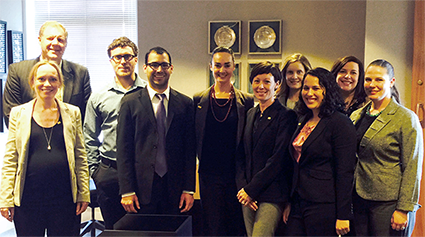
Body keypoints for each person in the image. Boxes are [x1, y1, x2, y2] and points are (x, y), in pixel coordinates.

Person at [0, 61, 90, 237]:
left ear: (59, 83)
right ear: (32, 82)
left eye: (52, 79)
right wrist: (5, 198)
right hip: (28, 200)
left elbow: (80, 156)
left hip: (64, 199)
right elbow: (10, 159)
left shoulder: (73, 112)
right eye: (41, 79)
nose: (47, 84)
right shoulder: (18, 113)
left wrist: (84, 194)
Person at [117, 47, 196, 215]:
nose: (159, 70)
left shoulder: (185, 103)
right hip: (141, 189)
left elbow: (190, 150)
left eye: (164, 65)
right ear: (145, 68)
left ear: (171, 68)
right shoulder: (129, 102)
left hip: (175, 188)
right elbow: (124, 150)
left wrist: (189, 189)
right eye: (154, 65)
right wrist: (127, 190)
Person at [350, 59, 423, 237]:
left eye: (379, 80)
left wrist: (404, 209)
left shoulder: (405, 118)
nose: (372, 84)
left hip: (389, 203)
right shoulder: (356, 115)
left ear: (391, 82)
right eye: (368, 80)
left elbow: (412, 167)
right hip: (359, 199)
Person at [83, 37, 147, 229]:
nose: (123, 61)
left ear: (135, 59)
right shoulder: (99, 97)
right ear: (111, 61)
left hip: (142, 172)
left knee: (145, 229)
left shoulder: (149, 92)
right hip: (110, 172)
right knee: (114, 229)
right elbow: (89, 136)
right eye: (117, 57)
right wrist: (96, 172)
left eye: (127, 56)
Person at [284, 67, 357, 237]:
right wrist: (289, 201)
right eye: (306, 88)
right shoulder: (304, 119)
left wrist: (343, 215)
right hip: (298, 201)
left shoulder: (340, 123)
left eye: (316, 88)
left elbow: (345, 172)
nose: (309, 93)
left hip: (324, 204)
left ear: (328, 90)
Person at [193, 46, 253, 237]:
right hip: (208, 175)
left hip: (236, 175)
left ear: (233, 67)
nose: (222, 70)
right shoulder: (198, 100)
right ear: (210, 66)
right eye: (217, 65)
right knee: (213, 227)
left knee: (236, 226)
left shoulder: (247, 100)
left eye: (227, 65)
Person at [236, 62, 297, 237]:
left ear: (277, 85)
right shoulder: (249, 114)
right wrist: (243, 189)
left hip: (272, 194)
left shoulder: (286, 116)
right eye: (256, 81)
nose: (261, 86)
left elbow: (278, 159)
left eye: (266, 82)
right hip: (247, 194)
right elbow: (241, 155)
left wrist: (251, 190)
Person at [3, 21, 91, 126]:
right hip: (31, 140)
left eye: (60, 39)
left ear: (66, 43)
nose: (55, 43)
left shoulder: (80, 73)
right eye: (50, 38)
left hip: (68, 140)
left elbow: (87, 117)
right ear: (40, 40)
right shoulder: (17, 71)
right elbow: (11, 114)